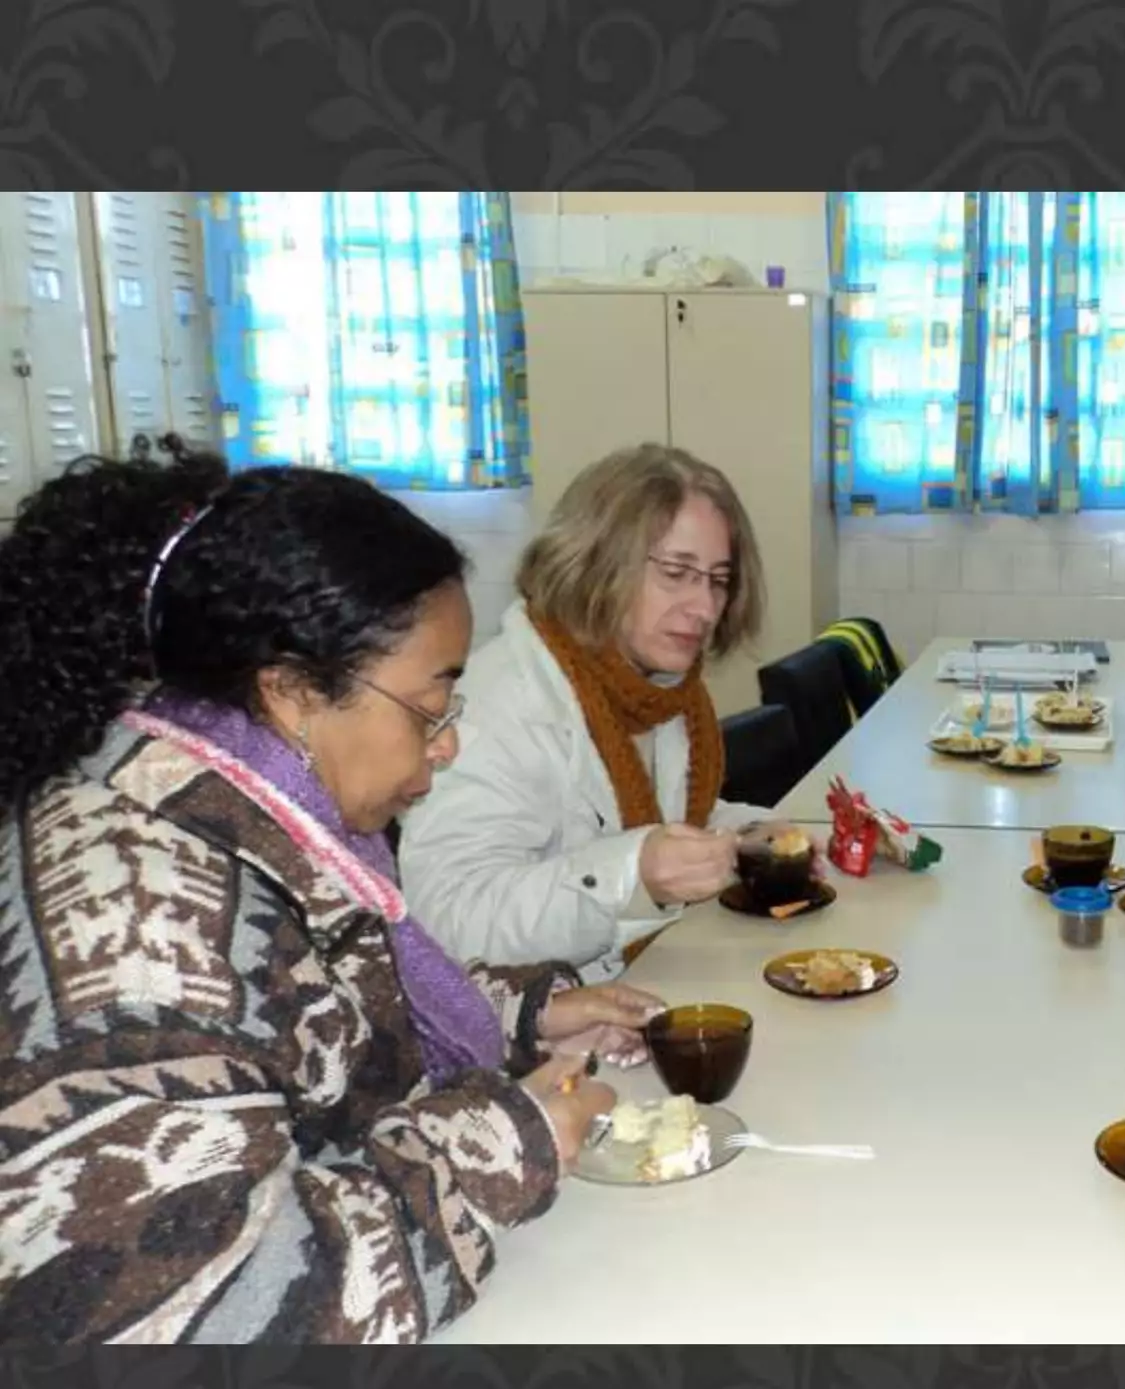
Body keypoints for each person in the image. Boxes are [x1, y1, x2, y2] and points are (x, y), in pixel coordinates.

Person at [0, 437, 666, 1343]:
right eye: (429, 706)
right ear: (293, 693)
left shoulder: (244, 803)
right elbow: (219, 1315)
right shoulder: (138, 920)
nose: (447, 744)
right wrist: (503, 1141)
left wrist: (518, 1019)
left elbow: (308, 1028)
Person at [401, 443, 804, 980]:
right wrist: (631, 877)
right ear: (596, 563)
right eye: (676, 572)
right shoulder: (497, 703)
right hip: (542, 1022)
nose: (706, 608)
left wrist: (752, 833)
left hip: (643, 982)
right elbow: (451, 920)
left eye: (718, 580)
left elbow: (661, 823)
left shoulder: (656, 689)